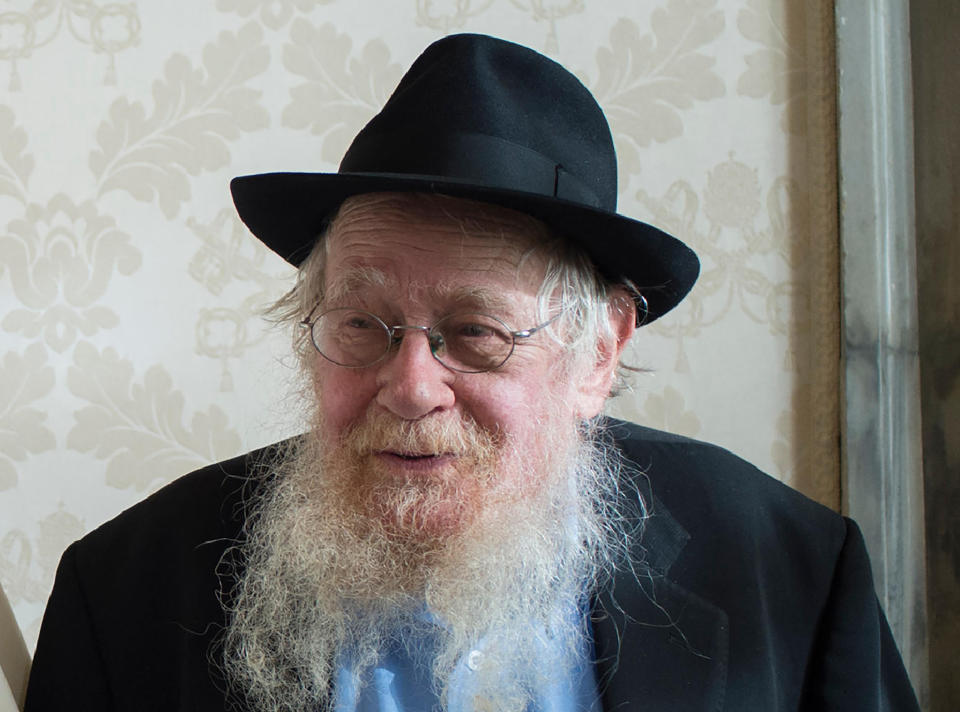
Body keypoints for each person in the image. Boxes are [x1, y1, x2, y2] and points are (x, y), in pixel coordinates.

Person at [25, 33, 919, 712]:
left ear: (598, 352)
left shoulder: (793, 572)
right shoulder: (124, 591)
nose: (412, 386)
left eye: (477, 332)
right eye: (363, 324)